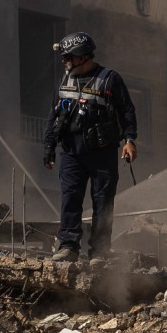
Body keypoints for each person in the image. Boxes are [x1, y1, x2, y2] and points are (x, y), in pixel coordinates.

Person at [41, 31, 137, 262]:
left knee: (103, 201)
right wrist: (49, 146)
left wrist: (129, 140)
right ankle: (68, 246)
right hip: (71, 152)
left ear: (82, 56)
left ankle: (100, 251)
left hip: (102, 152)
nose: (64, 62)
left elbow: (127, 111)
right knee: (70, 198)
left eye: (68, 57)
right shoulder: (64, 81)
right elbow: (54, 115)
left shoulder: (110, 79)